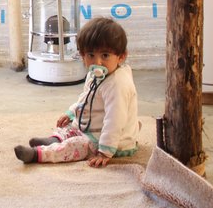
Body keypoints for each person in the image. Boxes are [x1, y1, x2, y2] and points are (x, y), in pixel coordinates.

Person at [14, 16, 139, 167]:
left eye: (105, 55)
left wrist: (105, 151)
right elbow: (85, 98)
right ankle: (54, 139)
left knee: (75, 146)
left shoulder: (118, 85)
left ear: (121, 57)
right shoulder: (96, 74)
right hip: (91, 129)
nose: (97, 62)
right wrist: (71, 113)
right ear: (82, 55)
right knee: (69, 128)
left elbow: (115, 121)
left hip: (112, 141)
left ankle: (38, 154)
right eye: (91, 55)